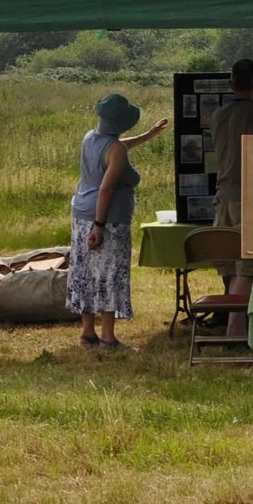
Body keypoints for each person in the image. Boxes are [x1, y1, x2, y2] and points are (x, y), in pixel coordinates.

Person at [69, 92, 167, 350]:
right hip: (107, 220)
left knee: (86, 272)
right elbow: (106, 189)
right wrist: (99, 227)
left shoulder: (90, 138)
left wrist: (148, 136)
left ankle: (87, 333)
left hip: (81, 213)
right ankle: (108, 338)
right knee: (109, 274)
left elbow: (117, 148)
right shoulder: (116, 150)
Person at [207, 60, 253, 305]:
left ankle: (227, 314)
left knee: (228, 262)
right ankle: (236, 325)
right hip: (247, 197)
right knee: (246, 265)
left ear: (231, 84)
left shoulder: (219, 114)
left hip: (223, 194)